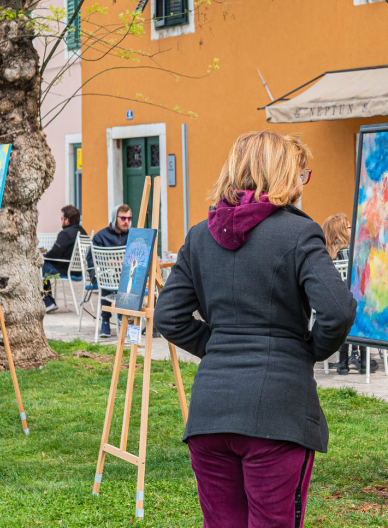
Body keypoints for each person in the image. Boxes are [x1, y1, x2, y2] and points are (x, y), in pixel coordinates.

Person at [156, 130, 356, 528]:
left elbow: (168, 317)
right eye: (301, 174)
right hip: (277, 414)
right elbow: (338, 310)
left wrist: (218, 346)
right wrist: (308, 350)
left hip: (211, 413)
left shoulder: (199, 235)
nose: (302, 183)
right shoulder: (298, 232)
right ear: (284, 174)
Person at [322, 213, 376, 375]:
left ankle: (343, 362)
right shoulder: (354, 251)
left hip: (334, 306)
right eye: (348, 226)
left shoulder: (325, 254)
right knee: (362, 307)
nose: (352, 228)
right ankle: (365, 361)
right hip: (356, 303)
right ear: (341, 231)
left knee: (349, 310)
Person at [92, 204, 132, 337]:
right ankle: (107, 320)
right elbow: (92, 259)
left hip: (128, 278)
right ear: (115, 218)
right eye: (123, 218)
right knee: (110, 276)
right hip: (106, 278)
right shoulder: (101, 236)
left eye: (129, 218)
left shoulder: (133, 236)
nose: (126, 222)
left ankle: (125, 319)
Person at [41, 205, 88, 313]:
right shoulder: (83, 232)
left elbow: (55, 254)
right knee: (43, 268)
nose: (61, 221)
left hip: (65, 269)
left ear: (67, 220)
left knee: (38, 267)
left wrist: (42, 257)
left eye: (62, 218)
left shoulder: (65, 234)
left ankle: (48, 303)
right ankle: (50, 302)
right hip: (78, 270)